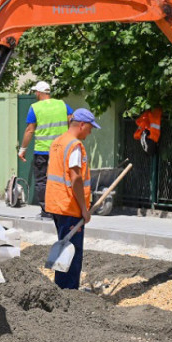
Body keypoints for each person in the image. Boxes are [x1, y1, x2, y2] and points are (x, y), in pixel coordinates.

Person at [45, 108, 101, 289]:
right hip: (70, 206)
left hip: (56, 204)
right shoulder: (75, 145)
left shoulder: (57, 142)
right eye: (90, 127)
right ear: (82, 125)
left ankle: (61, 289)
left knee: (63, 248)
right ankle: (68, 293)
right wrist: (84, 209)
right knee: (72, 254)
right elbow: (75, 177)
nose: (90, 132)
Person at [17, 81, 73, 217]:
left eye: (35, 92)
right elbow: (71, 120)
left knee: (42, 181)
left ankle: (47, 212)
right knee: (61, 180)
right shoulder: (62, 104)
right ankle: (62, 209)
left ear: (38, 93)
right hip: (61, 150)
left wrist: (22, 149)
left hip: (43, 151)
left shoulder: (35, 108)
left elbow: (30, 130)